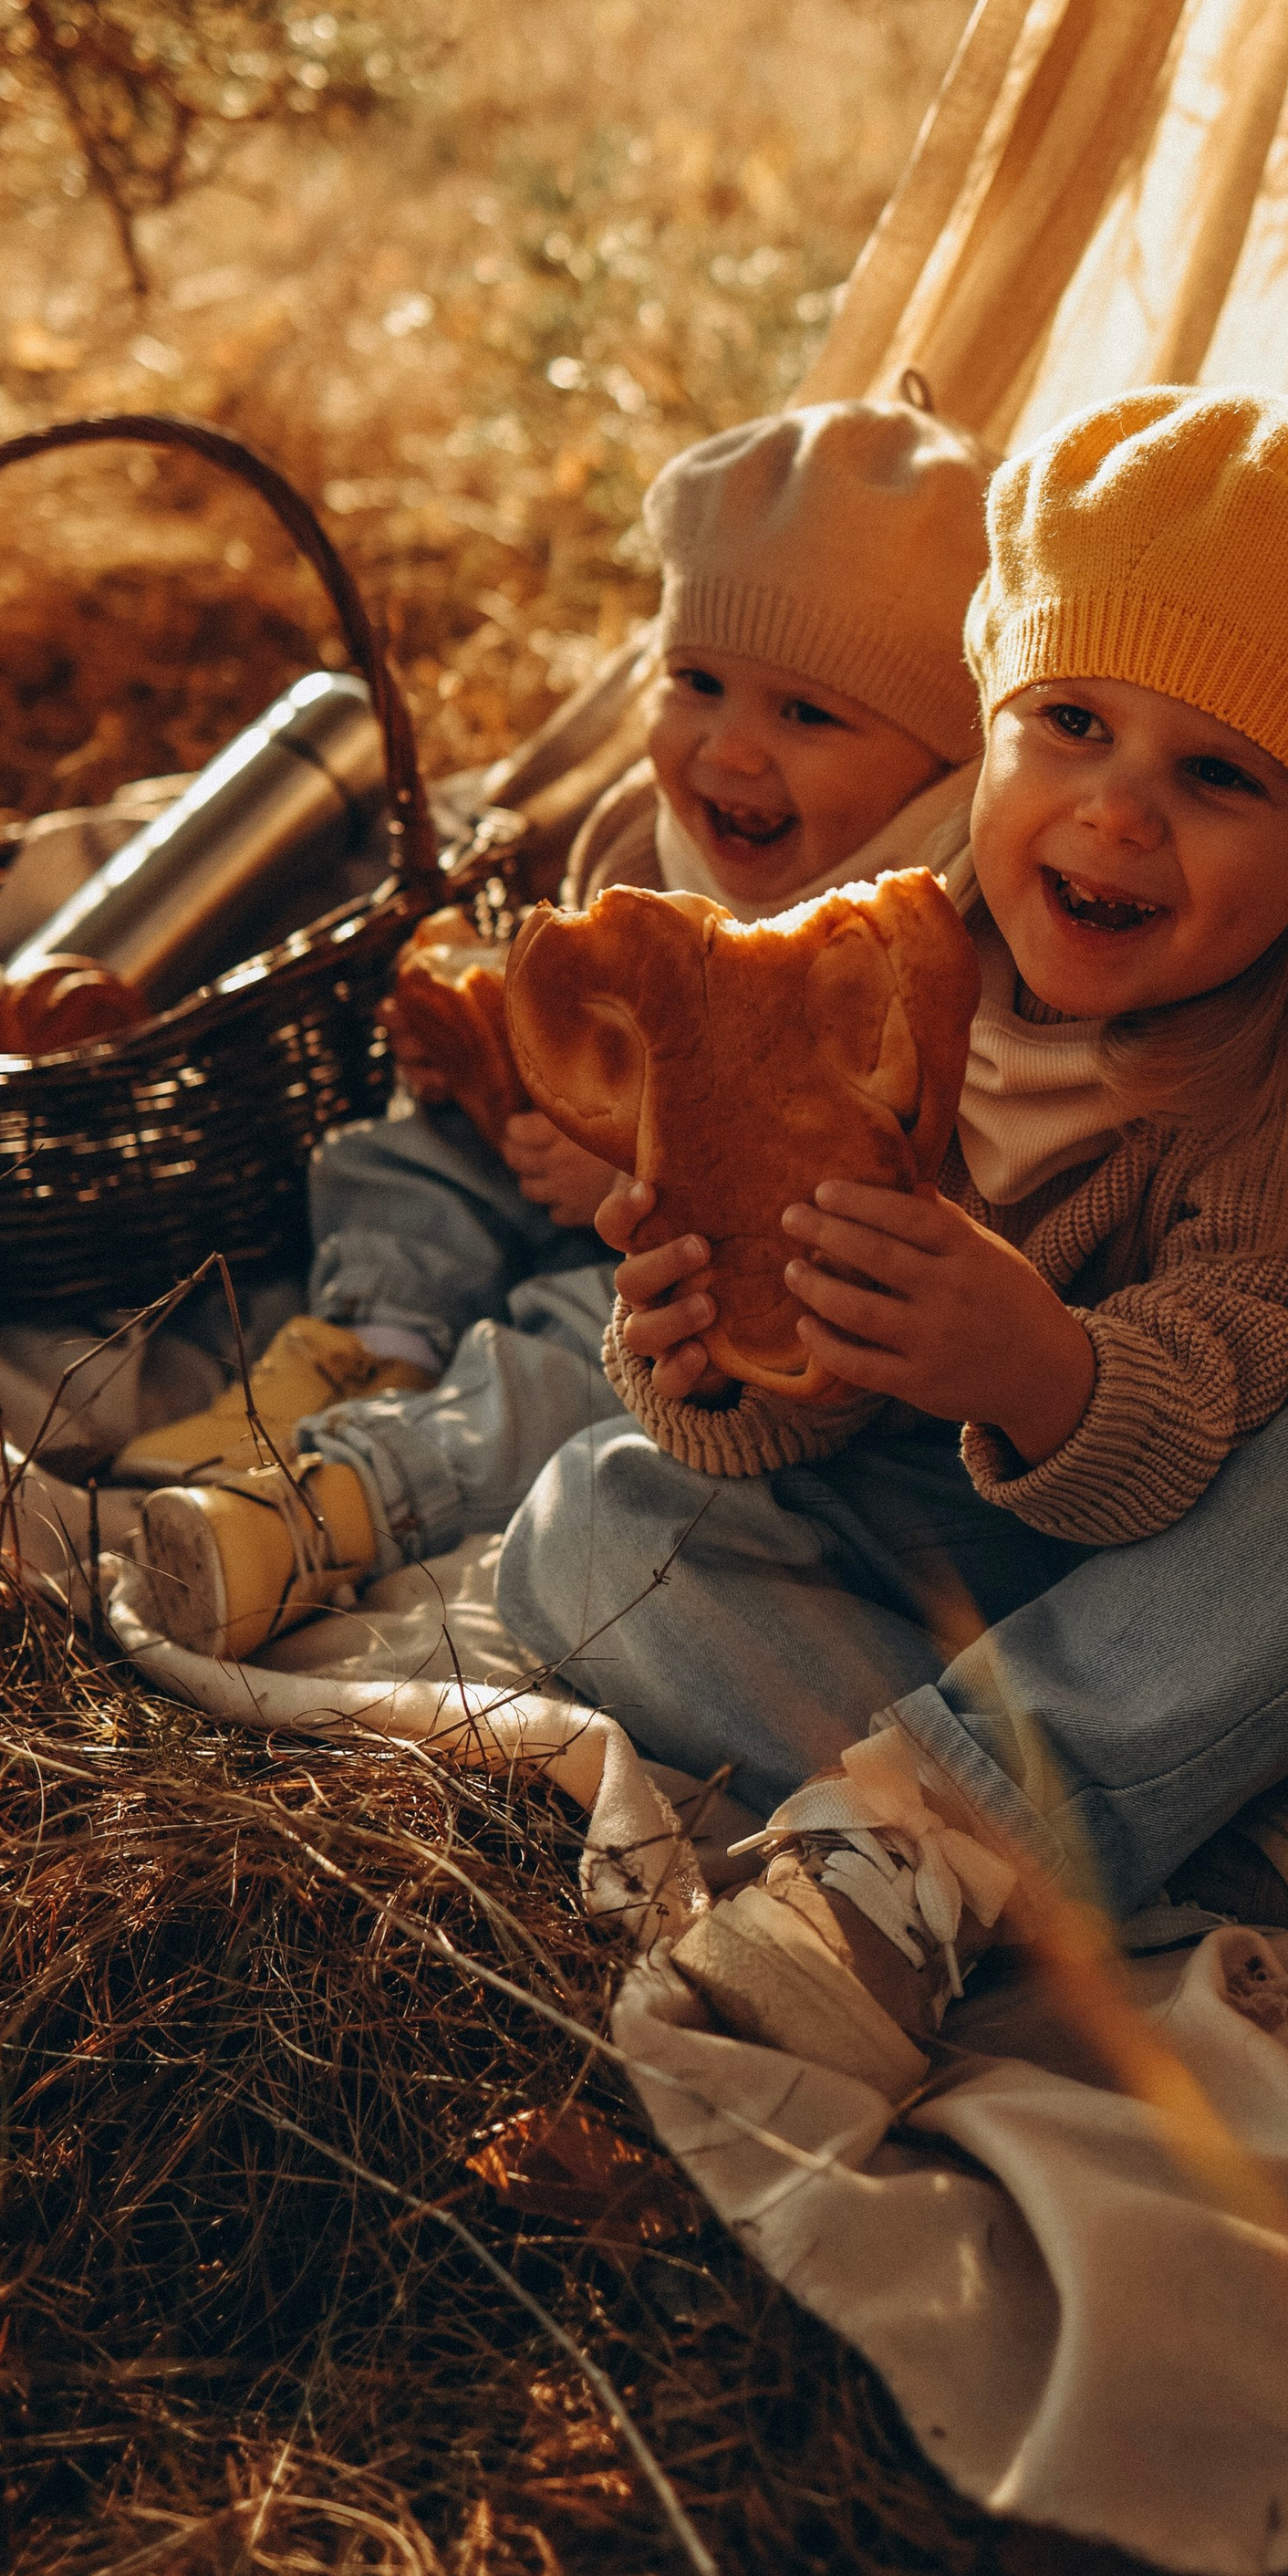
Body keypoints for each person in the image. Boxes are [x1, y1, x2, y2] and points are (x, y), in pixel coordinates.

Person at [491, 386, 1288, 2096]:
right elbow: (820, 1404)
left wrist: (1046, 1371)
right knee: (590, 1527)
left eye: (1215, 776)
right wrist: (717, 1361)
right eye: (1067, 723)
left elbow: (1257, 1364)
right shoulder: (872, 966)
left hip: (1239, 1577)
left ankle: (943, 1848)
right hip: (964, 1567)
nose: (1117, 815)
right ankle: (1145, 1858)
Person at [129, 397, 992, 1656]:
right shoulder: (642, 839)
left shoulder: (910, 940)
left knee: (571, 1350)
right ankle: (365, 1338)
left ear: (938, 757)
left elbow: (870, 1174)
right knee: (387, 1160)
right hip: (547, 1174)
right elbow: (575, 1002)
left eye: (808, 715)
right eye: (697, 684)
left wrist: (634, 1168)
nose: (730, 749)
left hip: (677, 1269)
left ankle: (350, 1495)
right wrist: (487, 1066)